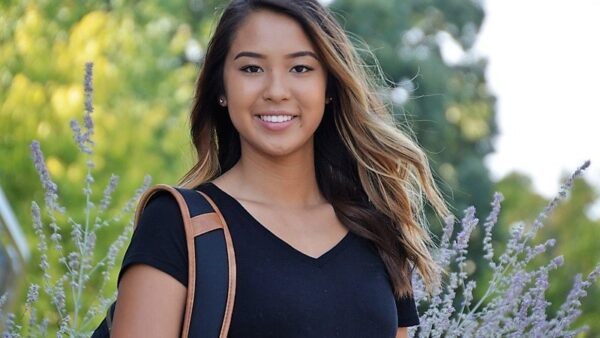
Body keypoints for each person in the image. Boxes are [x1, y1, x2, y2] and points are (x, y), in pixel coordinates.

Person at [111, 0, 448, 337]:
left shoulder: (377, 230)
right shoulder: (177, 226)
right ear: (221, 89)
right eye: (251, 69)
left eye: (300, 68)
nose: (276, 91)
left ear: (328, 87)